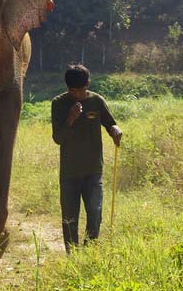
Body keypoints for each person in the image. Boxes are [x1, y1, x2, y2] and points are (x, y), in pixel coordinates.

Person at [51, 64, 123, 253]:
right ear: (68, 89)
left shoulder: (96, 101)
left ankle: (90, 252)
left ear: (88, 84)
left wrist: (114, 130)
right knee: (69, 218)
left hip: (93, 171)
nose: (78, 95)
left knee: (95, 213)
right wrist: (70, 118)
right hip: (69, 173)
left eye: (81, 90)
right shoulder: (58, 103)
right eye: (74, 91)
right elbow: (58, 138)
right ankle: (72, 256)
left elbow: (110, 124)